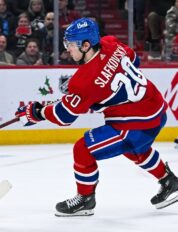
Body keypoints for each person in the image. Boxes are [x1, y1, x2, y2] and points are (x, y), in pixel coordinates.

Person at [16, 17, 178, 217]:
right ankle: (168, 181)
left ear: (86, 45)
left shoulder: (84, 81)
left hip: (134, 122)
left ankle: (85, 199)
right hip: (156, 107)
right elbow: (133, 59)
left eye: (72, 44)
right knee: (135, 149)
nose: (68, 49)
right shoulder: (111, 43)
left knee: (83, 150)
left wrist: (37, 112)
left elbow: (64, 117)